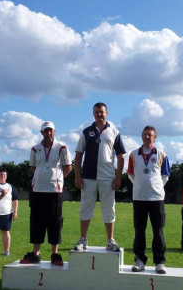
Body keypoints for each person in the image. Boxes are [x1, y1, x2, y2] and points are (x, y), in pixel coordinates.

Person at [73, 102, 126, 252]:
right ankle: (83, 239)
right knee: (86, 207)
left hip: (108, 177)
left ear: (107, 113)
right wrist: (77, 175)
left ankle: (110, 240)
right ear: (93, 113)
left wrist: (118, 177)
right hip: (88, 177)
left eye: (101, 112)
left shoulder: (114, 132)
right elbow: (78, 155)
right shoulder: (86, 132)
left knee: (109, 208)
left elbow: (121, 157)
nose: (99, 114)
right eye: (96, 112)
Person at [20, 121, 72, 266]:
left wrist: (57, 179)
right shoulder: (35, 149)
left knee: (55, 222)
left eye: (50, 130)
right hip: (37, 191)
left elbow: (68, 168)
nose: (48, 133)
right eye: (45, 131)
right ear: (41, 132)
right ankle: (35, 253)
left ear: (54, 131)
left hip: (55, 191)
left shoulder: (62, 148)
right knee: (36, 221)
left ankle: (55, 254)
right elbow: (33, 168)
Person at [127, 126, 171, 274]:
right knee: (139, 230)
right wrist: (141, 185)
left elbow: (165, 176)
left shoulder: (161, 155)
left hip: (156, 198)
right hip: (139, 197)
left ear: (155, 137)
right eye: (145, 134)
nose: (147, 137)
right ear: (141, 136)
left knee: (158, 230)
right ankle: (140, 260)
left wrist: (155, 187)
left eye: (150, 135)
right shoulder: (133, 154)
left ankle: (159, 262)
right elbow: (131, 174)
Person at [0, 170, 19, 256]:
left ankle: (6, 251)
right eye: (1, 175)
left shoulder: (10, 186)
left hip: (6, 214)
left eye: (5, 175)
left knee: (5, 232)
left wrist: (15, 212)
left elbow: (15, 200)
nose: (3, 176)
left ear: (6, 177)